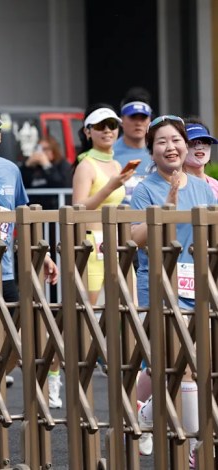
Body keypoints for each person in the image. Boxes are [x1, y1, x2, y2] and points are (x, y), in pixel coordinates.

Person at [0, 105, 59, 411]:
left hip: (4, 271)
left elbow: (21, 217)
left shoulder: (11, 170)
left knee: (19, 344)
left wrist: (41, 253)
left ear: (0, 137)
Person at [130, 115, 215, 462]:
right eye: (162, 142)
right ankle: (197, 448)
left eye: (176, 140)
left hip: (197, 283)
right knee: (185, 364)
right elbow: (136, 237)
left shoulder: (202, 187)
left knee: (188, 367)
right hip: (159, 284)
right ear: (151, 150)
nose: (171, 147)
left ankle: (148, 413)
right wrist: (169, 201)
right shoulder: (145, 189)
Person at [72, 104, 135, 307]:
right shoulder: (85, 165)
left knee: (129, 305)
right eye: (100, 126)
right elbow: (77, 208)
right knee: (89, 309)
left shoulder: (116, 164)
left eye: (112, 125)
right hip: (92, 244)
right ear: (88, 132)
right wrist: (109, 187)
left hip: (117, 241)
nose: (107, 130)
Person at [113, 92, 153, 203]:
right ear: (121, 120)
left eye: (143, 118)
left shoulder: (160, 152)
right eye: (133, 117)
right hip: (118, 213)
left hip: (153, 212)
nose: (138, 123)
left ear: (150, 120)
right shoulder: (110, 153)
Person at [182, 119, 218, 198]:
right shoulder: (174, 185)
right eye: (192, 141)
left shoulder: (216, 186)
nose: (200, 147)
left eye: (205, 141)